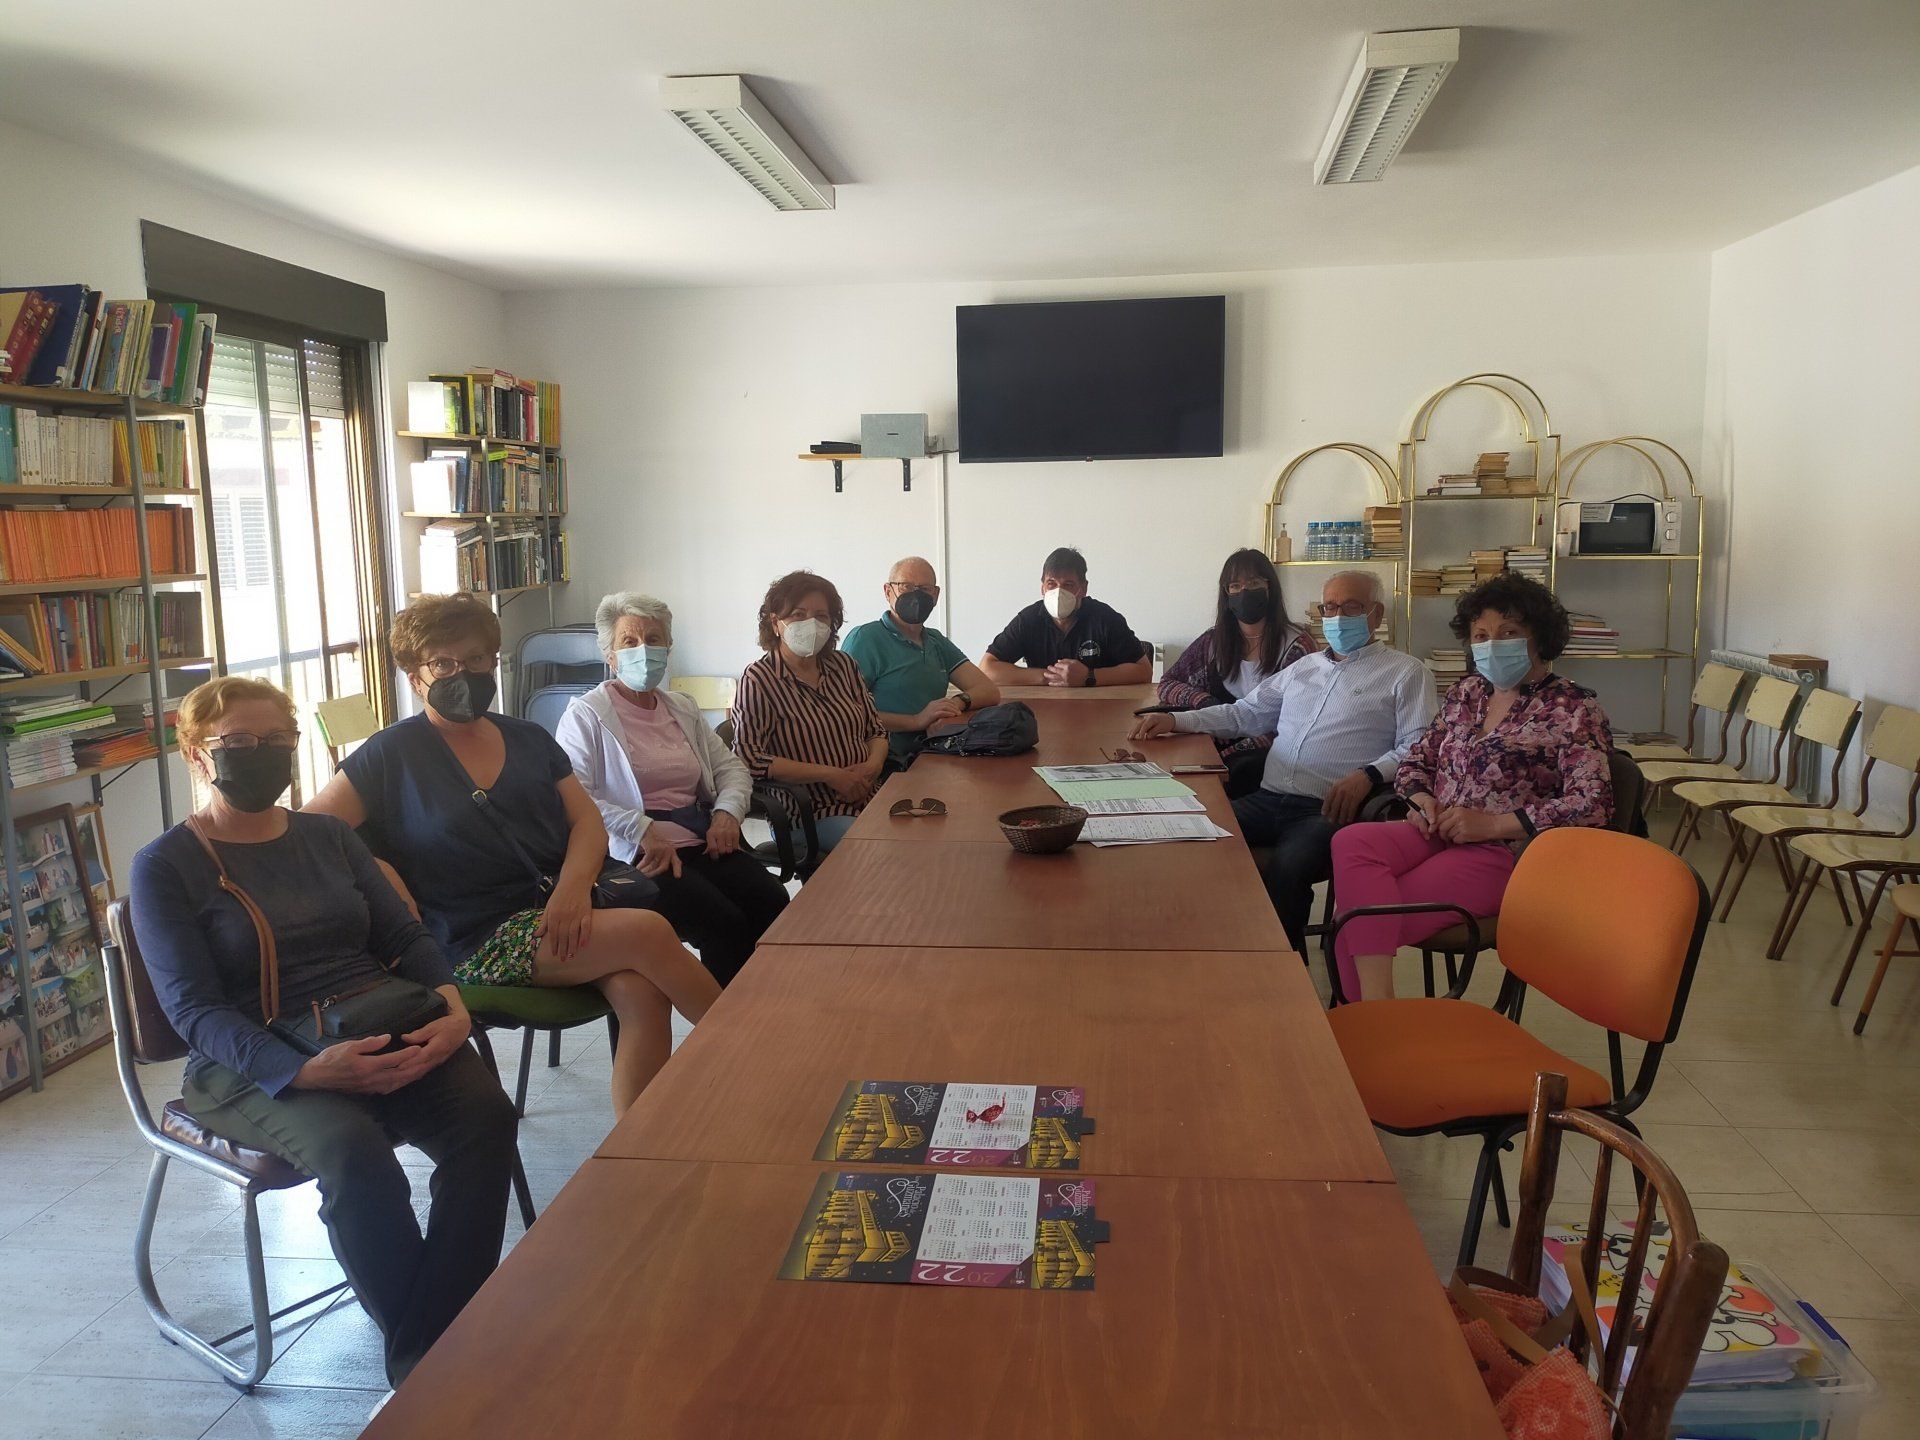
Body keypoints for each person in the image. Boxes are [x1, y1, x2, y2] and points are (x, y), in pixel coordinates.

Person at [128, 676, 518, 1390]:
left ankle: (433, 1347)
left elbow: (404, 937)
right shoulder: (166, 865)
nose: (262, 753)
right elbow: (193, 1011)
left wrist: (453, 1010)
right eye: (239, 741)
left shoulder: (329, 836)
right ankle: (435, 1369)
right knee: (353, 1154)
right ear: (196, 752)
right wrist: (303, 1071)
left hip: (373, 1021)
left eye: (278, 739)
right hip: (248, 1060)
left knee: (486, 1120)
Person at [305, 593, 720, 1113]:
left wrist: (572, 890)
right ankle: (751, 1051)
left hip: (558, 909)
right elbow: (310, 832)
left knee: (642, 993)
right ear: (415, 678)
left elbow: (586, 823)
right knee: (649, 931)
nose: (463, 673)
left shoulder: (527, 737)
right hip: (472, 933)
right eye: (443, 663)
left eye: (476, 658)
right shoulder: (392, 753)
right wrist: (379, 869)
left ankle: (639, 1140)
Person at [1330, 572, 1614, 1002]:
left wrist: (1494, 824)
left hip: (1506, 852)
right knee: (1351, 842)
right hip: (1438, 829)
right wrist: (1419, 798)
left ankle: (1371, 1016)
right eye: (1481, 635)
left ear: (1539, 637)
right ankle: (1373, 1015)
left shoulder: (1573, 707)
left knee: (1356, 915)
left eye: (1509, 632)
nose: (1492, 644)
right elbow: (1417, 759)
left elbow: (1593, 804)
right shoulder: (1468, 693)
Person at [1130, 570, 1434, 952]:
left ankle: (1284, 966)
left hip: (1327, 809)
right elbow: (1243, 714)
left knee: (1287, 869)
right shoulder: (1304, 669)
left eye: (1351, 607)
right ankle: (1206, 947)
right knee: (1189, 834)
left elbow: (1419, 745)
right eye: (1330, 607)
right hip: (1268, 798)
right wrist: (1176, 721)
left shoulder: (1406, 673)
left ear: (1376, 613)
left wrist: (1369, 775)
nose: (1338, 616)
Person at [555, 591, 789, 987]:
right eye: (629, 641)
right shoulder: (586, 715)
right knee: (723, 922)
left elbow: (731, 768)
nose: (643, 650)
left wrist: (727, 814)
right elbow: (575, 797)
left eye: (653, 639)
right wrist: (641, 828)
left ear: (668, 647)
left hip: (700, 841)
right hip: (636, 857)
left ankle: (763, 1002)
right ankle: (725, 1019)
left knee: (773, 901)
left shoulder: (682, 707)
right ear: (610, 655)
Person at [731, 569, 888, 857]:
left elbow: (875, 730)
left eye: (821, 616)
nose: (811, 624)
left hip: (867, 795)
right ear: (776, 623)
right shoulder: (758, 680)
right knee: (879, 850)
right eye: (798, 615)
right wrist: (831, 775)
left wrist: (872, 766)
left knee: (923, 838)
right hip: (808, 813)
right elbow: (749, 758)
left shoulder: (844, 666)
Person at [1157, 548, 1316, 797]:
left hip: (1267, 762)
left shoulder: (1297, 646)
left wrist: (1229, 754)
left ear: (1270, 588)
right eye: (1235, 586)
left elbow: (1296, 723)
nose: (1244, 592)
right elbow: (1168, 683)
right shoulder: (1213, 641)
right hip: (1214, 750)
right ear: (1226, 594)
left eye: (1253, 583)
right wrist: (1203, 701)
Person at [841, 555, 1000, 765]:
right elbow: (846, 712)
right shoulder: (866, 639)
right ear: (888, 591)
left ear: (935, 595)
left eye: (925, 589)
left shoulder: (936, 641)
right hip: (883, 761)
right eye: (906, 587)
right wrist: (916, 721)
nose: (916, 596)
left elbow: (988, 690)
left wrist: (955, 703)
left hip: (932, 753)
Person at [980, 546, 1152, 688]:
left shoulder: (1105, 618)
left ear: (1083, 589)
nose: (1058, 592)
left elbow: (1144, 671)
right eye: (1051, 584)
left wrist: (1089, 676)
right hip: (1045, 708)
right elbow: (987, 669)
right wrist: (1049, 677)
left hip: (1099, 706)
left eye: (1068, 584)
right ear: (1042, 588)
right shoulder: (1028, 620)